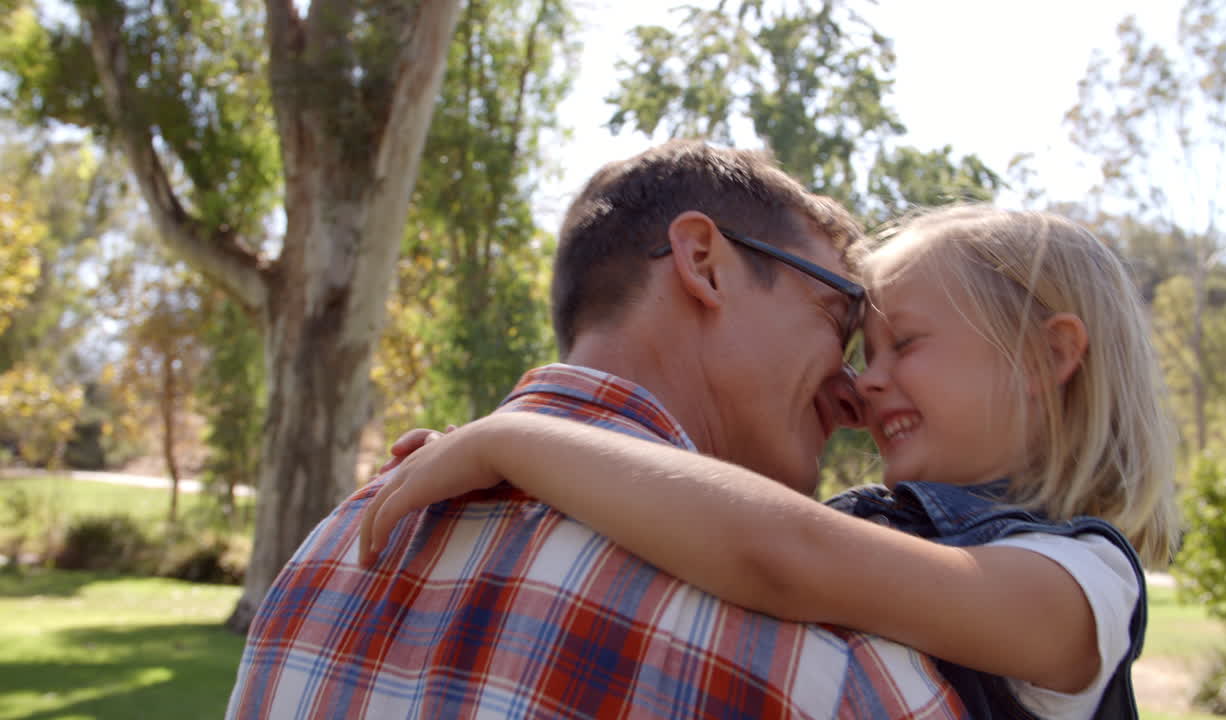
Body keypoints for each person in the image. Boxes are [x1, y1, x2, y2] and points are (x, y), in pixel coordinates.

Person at [225, 140, 968, 719]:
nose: (852, 393)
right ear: (704, 264)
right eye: (839, 318)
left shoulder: (321, 563)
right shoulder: (827, 667)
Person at [361, 205, 1180, 719]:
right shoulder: (878, 528)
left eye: (905, 344)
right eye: (862, 354)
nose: (863, 382)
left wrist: (514, 442)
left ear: (1046, 356)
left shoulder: (1086, 585)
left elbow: (780, 556)